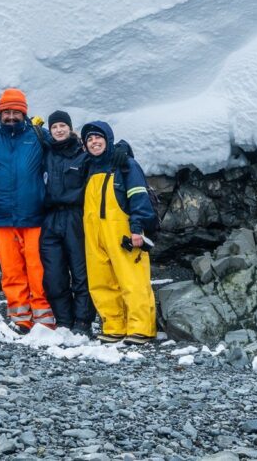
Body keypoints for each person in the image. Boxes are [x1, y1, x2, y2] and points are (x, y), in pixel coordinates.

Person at [0, 88, 55, 333]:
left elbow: (63, 154)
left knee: (38, 269)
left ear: (23, 112)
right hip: (1, 216)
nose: (10, 116)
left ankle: (44, 318)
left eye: (15, 111)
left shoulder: (39, 135)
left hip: (34, 214)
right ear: (0, 113)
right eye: (6, 111)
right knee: (11, 270)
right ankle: (20, 318)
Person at [79, 121, 158, 345]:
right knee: (101, 281)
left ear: (108, 139)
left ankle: (141, 328)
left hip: (122, 232)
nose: (94, 142)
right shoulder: (89, 165)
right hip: (95, 233)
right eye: (90, 139)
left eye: (98, 137)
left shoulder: (126, 165)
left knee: (132, 280)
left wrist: (137, 228)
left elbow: (139, 197)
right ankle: (113, 326)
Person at [40, 110, 95, 336]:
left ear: (70, 128)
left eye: (63, 125)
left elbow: (105, 157)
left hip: (76, 217)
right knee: (54, 274)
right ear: (50, 131)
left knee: (81, 272)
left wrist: (122, 149)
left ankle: (82, 321)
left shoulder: (84, 154)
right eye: (54, 127)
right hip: (51, 217)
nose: (59, 130)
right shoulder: (46, 153)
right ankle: (63, 319)